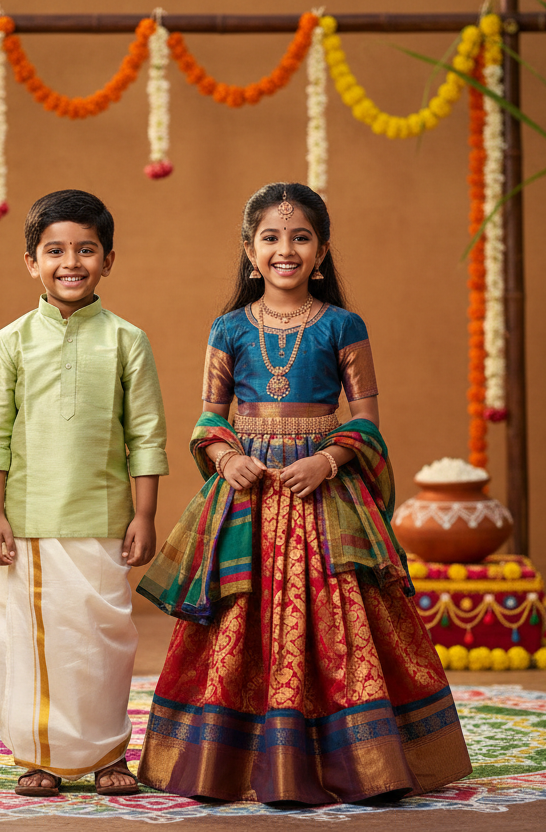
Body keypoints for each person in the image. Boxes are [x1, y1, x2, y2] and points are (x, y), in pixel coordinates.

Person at [136, 182, 472, 804]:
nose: (284, 249)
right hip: (250, 493)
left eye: (300, 237)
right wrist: (227, 454)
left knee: (343, 616)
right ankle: (225, 767)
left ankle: (362, 764)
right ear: (249, 250)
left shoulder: (344, 325)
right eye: (270, 238)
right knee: (241, 618)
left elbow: (367, 418)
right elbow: (208, 419)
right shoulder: (229, 328)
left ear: (321, 251)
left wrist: (328, 459)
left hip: (324, 490)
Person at [0, 189, 169, 798]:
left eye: (86, 249)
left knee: (102, 640)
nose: (71, 262)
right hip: (30, 519)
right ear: (30, 260)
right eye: (54, 250)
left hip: (106, 518)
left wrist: (143, 514)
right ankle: (39, 758)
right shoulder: (11, 341)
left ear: (109, 259)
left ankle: (110, 751)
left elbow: (147, 434)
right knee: (35, 643)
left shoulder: (126, 340)